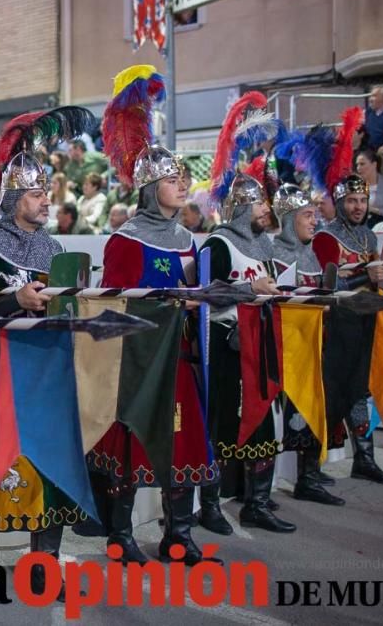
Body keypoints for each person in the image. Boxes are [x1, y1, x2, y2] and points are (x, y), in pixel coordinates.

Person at [0, 108, 92, 600]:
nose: (46, 200)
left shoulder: (55, 247)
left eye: (47, 192)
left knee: (49, 471)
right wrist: (15, 300)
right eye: (37, 194)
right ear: (14, 199)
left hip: (48, 374)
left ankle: (43, 567)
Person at [93, 138, 220, 565]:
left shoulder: (187, 238)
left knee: (181, 443)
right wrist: (167, 302)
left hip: (180, 357)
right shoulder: (125, 241)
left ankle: (178, 535)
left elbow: (194, 292)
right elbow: (114, 303)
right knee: (134, 447)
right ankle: (120, 536)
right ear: (150, 187)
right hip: (139, 363)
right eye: (170, 179)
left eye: (182, 178)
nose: (181, 185)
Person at [200, 174, 295, 533]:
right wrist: (247, 287)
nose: (265, 209)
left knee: (265, 427)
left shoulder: (264, 245)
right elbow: (206, 294)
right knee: (222, 427)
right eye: (257, 203)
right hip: (227, 347)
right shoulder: (218, 244)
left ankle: (256, 503)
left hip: (261, 345)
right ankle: (209, 506)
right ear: (240, 207)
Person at [312, 174, 383, 488]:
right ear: (339, 203)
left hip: (365, 320)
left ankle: (365, 460)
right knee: (332, 392)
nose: (358, 206)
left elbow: (374, 281)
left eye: (362, 200)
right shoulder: (325, 237)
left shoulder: (370, 238)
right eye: (351, 201)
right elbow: (326, 288)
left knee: (361, 390)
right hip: (337, 324)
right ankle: (311, 467)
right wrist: (365, 276)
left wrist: (377, 282)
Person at [270, 185, 346, 507]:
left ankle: (309, 477)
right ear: (289, 219)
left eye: (315, 215)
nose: (314, 221)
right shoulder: (273, 252)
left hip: (316, 345)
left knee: (316, 410)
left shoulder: (312, 253)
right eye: (307, 215)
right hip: (287, 349)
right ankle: (265, 487)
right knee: (284, 421)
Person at [354, 150, 383, 227]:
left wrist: (376, 211)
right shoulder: (355, 184)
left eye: (362, 164)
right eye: (357, 165)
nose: (358, 168)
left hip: (382, 224)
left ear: (374, 164)